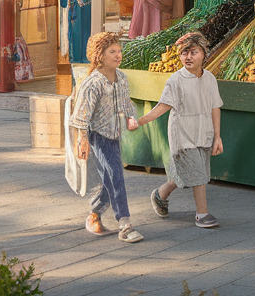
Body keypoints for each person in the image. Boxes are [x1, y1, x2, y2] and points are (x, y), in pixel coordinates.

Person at [137, 31, 224, 229]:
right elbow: (163, 106)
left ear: (204, 54)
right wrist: (141, 121)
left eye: (193, 52)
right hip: (183, 136)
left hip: (204, 133)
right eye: (184, 53)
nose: (188, 57)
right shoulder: (176, 81)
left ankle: (160, 195)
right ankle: (202, 214)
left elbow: (215, 107)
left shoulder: (210, 79)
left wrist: (217, 136)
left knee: (184, 173)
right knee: (198, 174)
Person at [69, 30, 143, 243]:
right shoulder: (92, 83)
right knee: (115, 176)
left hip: (114, 134)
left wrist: (130, 117)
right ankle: (125, 224)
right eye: (113, 51)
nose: (118, 55)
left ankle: (94, 213)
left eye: (119, 51)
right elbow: (81, 115)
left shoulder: (121, 78)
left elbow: (125, 102)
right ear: (99, 55)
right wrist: (82, 139)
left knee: (109, 179)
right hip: (98, 136)